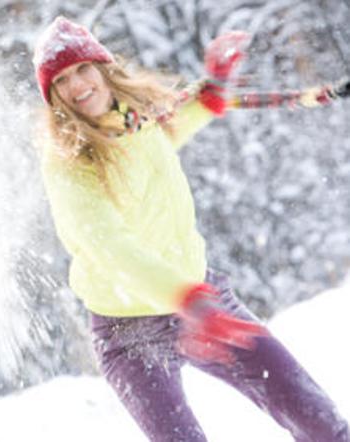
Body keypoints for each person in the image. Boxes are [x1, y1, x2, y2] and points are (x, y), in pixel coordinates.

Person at [33, 16, 348, 442]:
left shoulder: (137, 124)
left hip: (202, 298)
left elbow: (157, 145)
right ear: (54, 98)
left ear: (104, 69)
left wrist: (212, 92)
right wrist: (190, 303)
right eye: (62, 80)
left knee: (320, 421)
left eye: (83, 68)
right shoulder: (69, 164)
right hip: (130, 332)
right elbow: (109, 246)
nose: (77, 84)